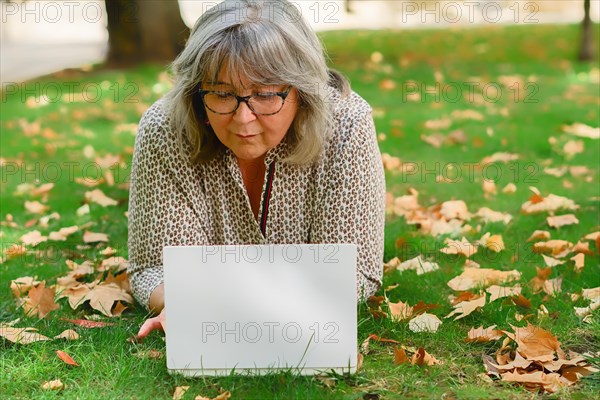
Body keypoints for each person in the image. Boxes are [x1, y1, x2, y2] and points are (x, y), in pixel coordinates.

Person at [128, 0, 386, 340]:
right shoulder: (165, 128)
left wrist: (222, 304)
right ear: (196, 92)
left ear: (302, 91)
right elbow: (155, 267)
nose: (243, 118)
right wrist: (183, 301)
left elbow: (352, 269)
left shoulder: (346, 123)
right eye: (221, 94)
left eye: (265, 94)